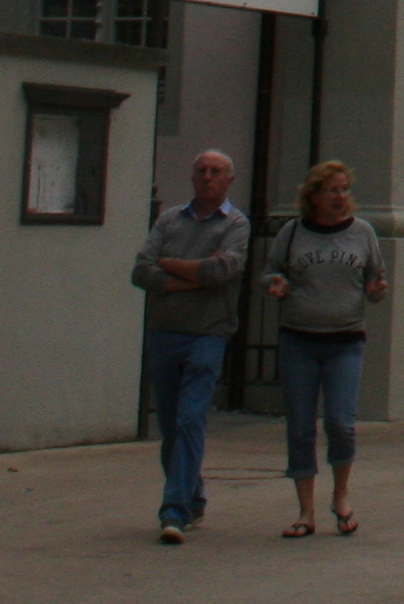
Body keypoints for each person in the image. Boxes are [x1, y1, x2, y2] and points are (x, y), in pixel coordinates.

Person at [262, 160, 386, 539]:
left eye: (344, 189)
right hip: (299, 339)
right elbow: (270, 271)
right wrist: (276, 284)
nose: (340, 197)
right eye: (332, 190)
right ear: (313, 195)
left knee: (340, 422)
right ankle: (305, 511)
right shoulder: (293, 231)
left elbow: (376, 278)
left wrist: (376, 291)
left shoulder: (363, 233)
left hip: (345, 340)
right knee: (300, 426)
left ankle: (341, 495)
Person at [131, 149, 250, 543]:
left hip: (208, 333)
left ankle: (174, 511)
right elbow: (141, 270)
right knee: (169, 426)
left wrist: (170, 264)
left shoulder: (235, 223)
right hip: (165, 332)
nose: (208, 177)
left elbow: (224, 270)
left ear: (229, 180)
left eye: (216, 172)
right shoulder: (170, 219)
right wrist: (192, 277)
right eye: (201, 171)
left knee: (189, 420)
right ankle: (193, 497)